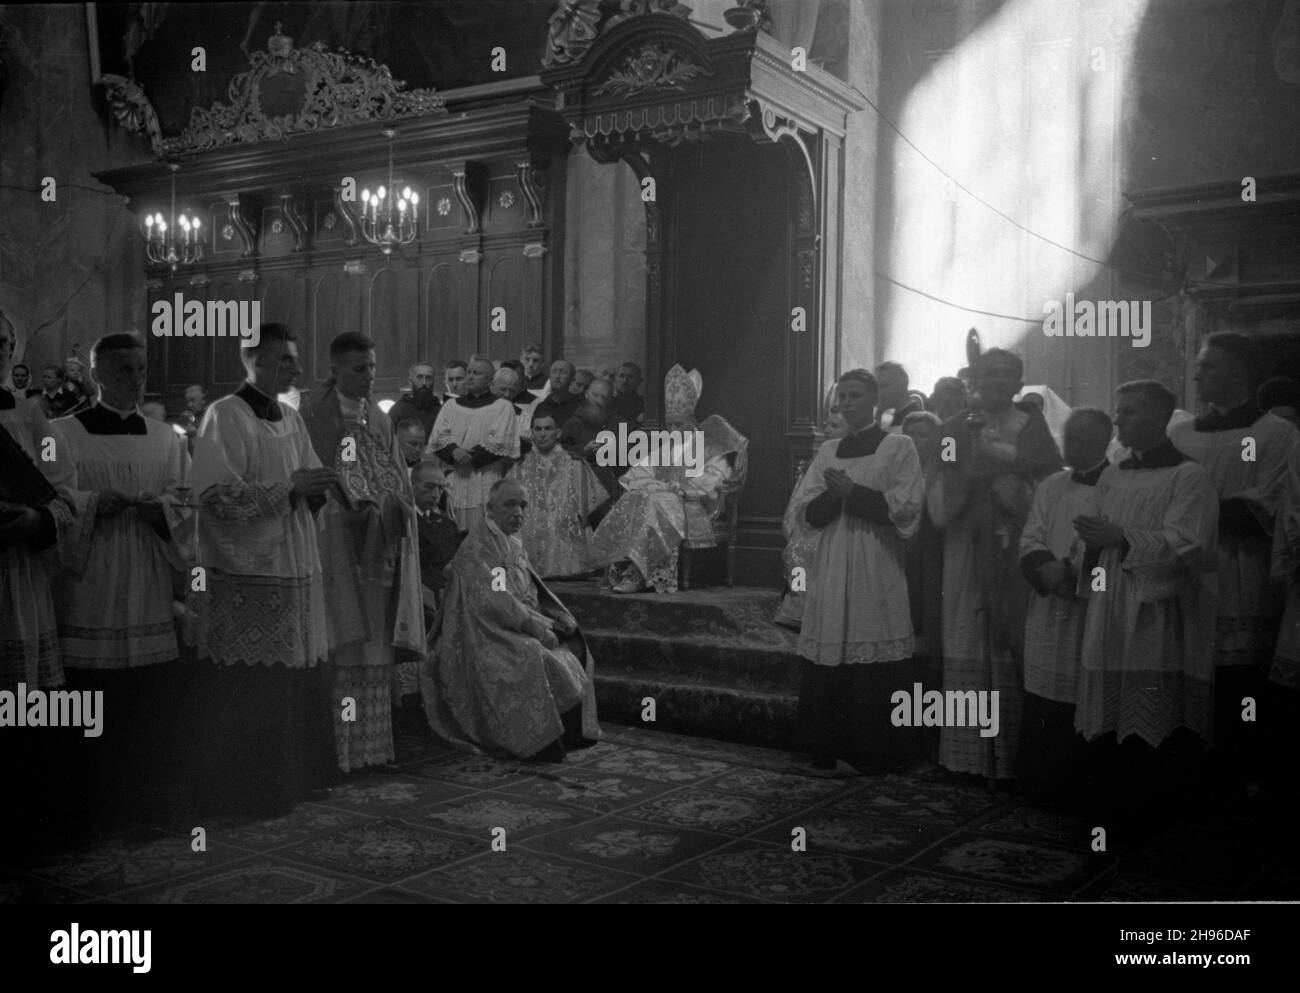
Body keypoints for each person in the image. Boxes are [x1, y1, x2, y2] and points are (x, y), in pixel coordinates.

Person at [190, 322, 338, 817]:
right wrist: (291, 489)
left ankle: (292, 783)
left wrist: (318, 486)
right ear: (252, 361)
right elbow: (213, 497)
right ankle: (251, 791)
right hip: (247, 572)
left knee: (294, 677)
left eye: (294, 359)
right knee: (254, 687)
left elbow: (307, 477)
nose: (295, 368)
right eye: (285, 360)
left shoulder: (292, 419)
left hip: (293, 562)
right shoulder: (224, 415)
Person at [1073, 380, 1218, 841]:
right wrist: (1095, 545)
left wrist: (1121, 538)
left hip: (1157, 609)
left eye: (1129, 413)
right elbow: (1097, 533)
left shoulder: (1188, 476)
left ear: (1158, 418)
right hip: (1110, 600)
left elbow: (1189, 544)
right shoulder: (1114, 472)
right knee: (1106, 714)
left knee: (1151, 710)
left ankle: (1151, 820)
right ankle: (1108, 813)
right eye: (1119, 412)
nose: (1118, 422)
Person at [48, 334, 188, 811]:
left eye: (141, 369)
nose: (136, 379)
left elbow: (185, 498)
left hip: (146, 571)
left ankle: (142, 787)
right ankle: (89, 791)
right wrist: (92, 504)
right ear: (97, 375)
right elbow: (50, 499)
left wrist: (163, 511)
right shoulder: (60, 434)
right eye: (124, 370)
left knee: (144, 692)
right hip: (92, 574)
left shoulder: (167, 438)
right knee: (91, 687)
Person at [1170, 332, 1296, 799]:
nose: (1198, 373)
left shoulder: (1275, 434)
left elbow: (1268, 506)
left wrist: (1193, 510)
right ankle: (1192, 769)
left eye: (1209, 365)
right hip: (1187, 570)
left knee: (1239, 681)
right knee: (1186, 671)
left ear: (1240, 371)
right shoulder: (1179, 433)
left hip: (1241, 570)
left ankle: (1242, 772)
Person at [927, 347, 1062, 781]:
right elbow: (939, 487)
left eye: (1009, 375)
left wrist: (1011, 482)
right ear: (975, 380)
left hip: (1013, 543)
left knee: (1009, 637)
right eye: (991, 374)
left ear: (1019, 383)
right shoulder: (950, 429)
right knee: (967, 633)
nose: (1000, 381)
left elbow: (1050, 483)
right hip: (967, 543)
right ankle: (964, 756)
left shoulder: (1031, 424)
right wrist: (967, 480)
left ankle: (1010, 757)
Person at [790, 369, 926, 774]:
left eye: (855, 396)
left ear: (875, 400)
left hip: (876, 563)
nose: (847, 403)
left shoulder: (898, 446)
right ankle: (826, 748)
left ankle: (873, 752)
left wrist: (854, 493)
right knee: (833, 643)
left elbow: (907, 508)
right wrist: (835, 497)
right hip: (834, 562)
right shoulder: (829, 450)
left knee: (872, 639)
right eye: (842, 397)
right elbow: (806, 512)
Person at [301, 332, 424, 774]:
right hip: (334, 544)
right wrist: (349, 508)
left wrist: (396, 509)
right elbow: (315, 475)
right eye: (359, 368)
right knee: (342, 646)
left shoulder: (379, 416)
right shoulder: (313, 414)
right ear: (334, 370)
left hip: (377, 547)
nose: (369, 376)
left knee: (373, 646)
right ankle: (336, 753)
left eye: (372, 366)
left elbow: (395, 477)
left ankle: (371, 750)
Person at [422, 478, 600, 761]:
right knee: (530, 655)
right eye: (510, 505)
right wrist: (540, 627)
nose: (518, 513)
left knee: (575, 639)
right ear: (490, 508)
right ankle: (540, 744)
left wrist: (556, 615)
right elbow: (497, 603)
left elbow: (531, 589)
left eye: (523, 505)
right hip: (484, 633)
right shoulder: (479, 548)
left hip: (515, 625)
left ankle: (569, 734)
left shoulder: (513, 542)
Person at [1016, 408, 1112, 809]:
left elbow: (1112, 544)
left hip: (1091, 608)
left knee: (1082, 695)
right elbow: (1032, 535)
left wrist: (1072, 570)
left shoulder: (1118, 484)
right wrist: (1044, 569)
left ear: (1103, 441)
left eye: (1080, 440)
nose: (1069, 446)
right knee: (1042, 695)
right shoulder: (1051, 485)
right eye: (1067, 438)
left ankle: (1080, 790)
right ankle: (1041, 787)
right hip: (1049, 605)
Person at [591, 365, 745, 594]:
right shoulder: (669, 446)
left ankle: (640, 575)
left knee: (654, 503)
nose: (672, 429)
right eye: (669, 424)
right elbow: (641, 470)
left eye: (678, 425)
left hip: (692, 506)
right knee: (635, 498)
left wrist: (681, 488)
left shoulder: (710, 446)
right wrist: (647, 483)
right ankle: (625, 567)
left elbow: (714, 479)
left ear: (691, 421)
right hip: (663, 500)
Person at [425, 355, 520, 532]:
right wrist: (453, 451)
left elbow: (500, 440)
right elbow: (439, 436)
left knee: (485, 535)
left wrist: (469, 456)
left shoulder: (502, 407)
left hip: (485, 477)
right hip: (455, 479)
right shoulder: (451, 406)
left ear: (490, 380)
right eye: (468, 372)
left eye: (476, 373)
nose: (470, 376)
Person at [510, 410, 608, 578]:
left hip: (564, 527)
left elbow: (590, 505)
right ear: (531, 433)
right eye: (538, 429)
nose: (542, 434)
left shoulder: (574, 462)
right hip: (529, 525)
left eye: (547, 429)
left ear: (558, 433)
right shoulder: (519, 466)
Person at [775, 405, 848, 630]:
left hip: (842, 524)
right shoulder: (825, 454)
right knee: (795, 551)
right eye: (827, 424)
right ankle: (798, 608)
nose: (827, 430)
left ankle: (823, 611)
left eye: (835, 426)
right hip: (814, 522)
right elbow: (804, 496)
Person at [560, 377, 628, 504]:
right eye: (595, 395)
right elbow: (561, 453)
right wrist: (584, 450)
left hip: (611, 488)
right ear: (586, 394)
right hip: (580, 487)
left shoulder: (619, 423)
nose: (598, 401)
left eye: (604, 397)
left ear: (609, 401)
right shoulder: (573, 423)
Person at [388, 363, 442, 436]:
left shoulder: (441, 411)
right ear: (410, 381)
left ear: (434, 381)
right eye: (419, 377)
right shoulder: (398, 411)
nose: (424, 383)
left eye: (428, 378)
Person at [535, 360, 581, 428]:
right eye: (554, 372)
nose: (557, 376)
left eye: (563, 372)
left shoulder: (580, 406)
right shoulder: (542, 407)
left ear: (572, 379)